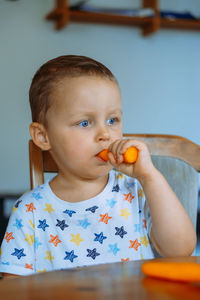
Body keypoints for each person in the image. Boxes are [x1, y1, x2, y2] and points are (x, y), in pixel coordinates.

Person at [0, 55, 196, 277]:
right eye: (85, 123)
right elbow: (13, 287)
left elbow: (181, 249)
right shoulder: (30, 210)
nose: (105, 134)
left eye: (112, 120)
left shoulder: (134, 189)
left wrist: (149, 177)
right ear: (43, 136)